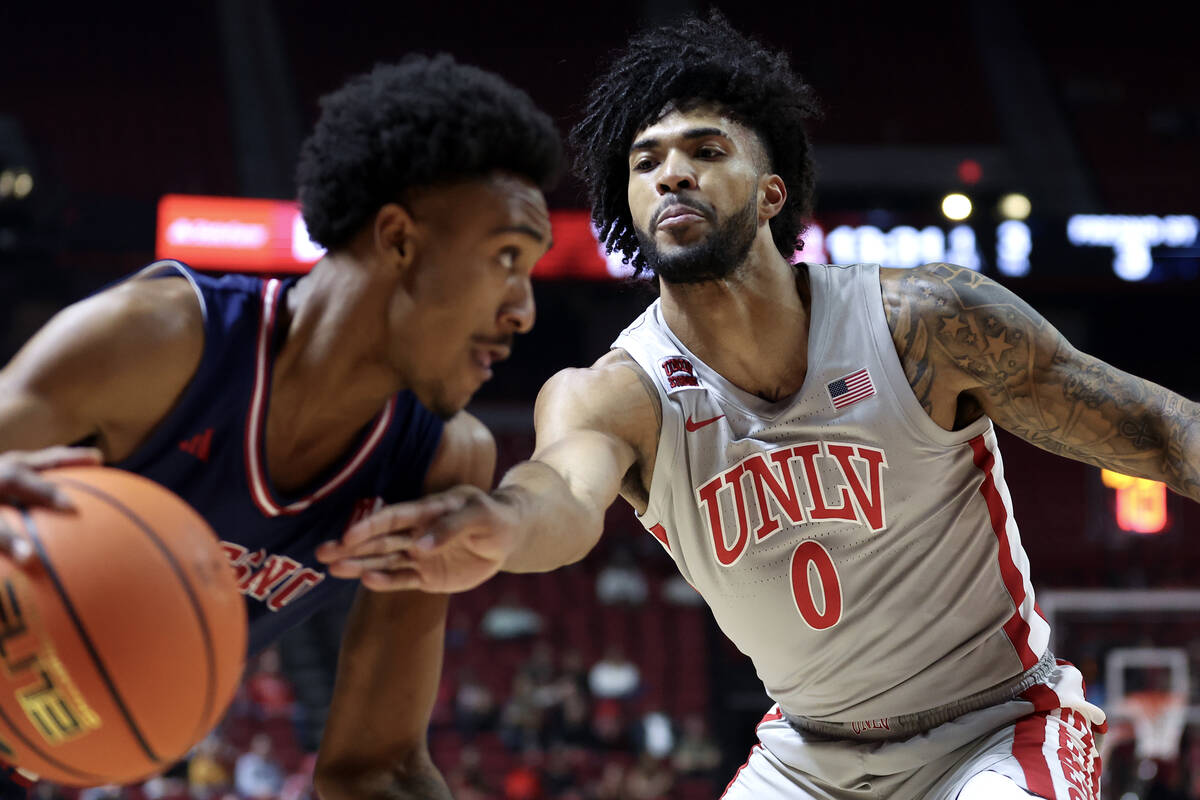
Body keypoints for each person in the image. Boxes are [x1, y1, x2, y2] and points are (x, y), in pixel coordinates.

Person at [327, 11, 1200, 800]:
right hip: (806, 757)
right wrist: (499, 525)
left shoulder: (925, 324)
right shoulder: (615, 393)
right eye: (648, 161)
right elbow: (560, 494)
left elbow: (1155, 429)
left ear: (771, 192)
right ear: (628, 202)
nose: (673, 174)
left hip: (998, 730)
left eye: (706, 152)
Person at [0, 54, 561, 799]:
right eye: (507, 258)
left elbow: (377, 770)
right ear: (398, 239)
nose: (524, 309)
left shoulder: (440, 462)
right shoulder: (156, 340)